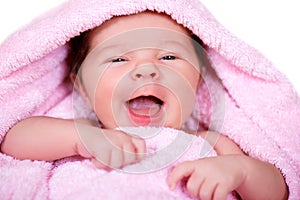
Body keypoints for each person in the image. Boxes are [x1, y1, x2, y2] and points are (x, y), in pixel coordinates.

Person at [0, 11, 287, 199]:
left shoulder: (208, 144)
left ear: (198, 81)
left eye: (169, 58)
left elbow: (276, 193)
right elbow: (13, 141)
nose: (146, 71)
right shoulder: (80, 133)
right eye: (118, 59)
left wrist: (239, 170)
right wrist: (82, 139)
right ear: (82, 89)